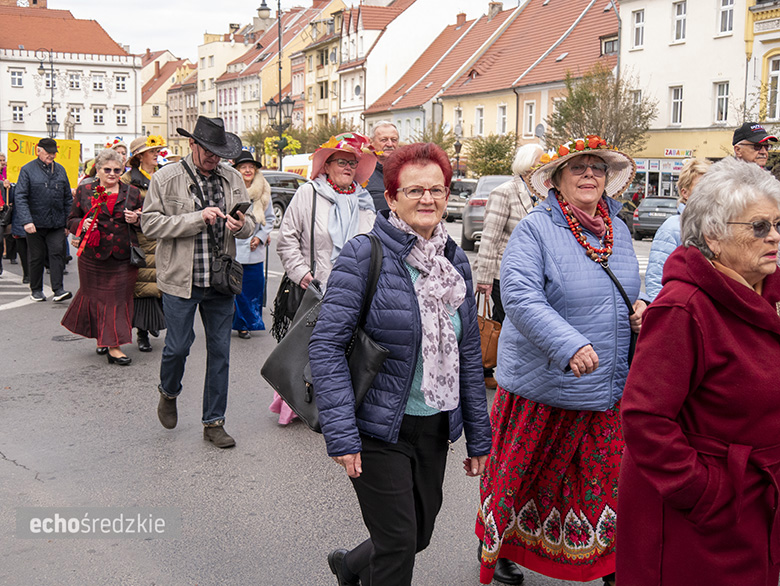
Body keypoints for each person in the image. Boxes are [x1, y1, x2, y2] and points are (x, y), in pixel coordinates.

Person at [309, 142, 492, 586]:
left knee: (419, 535)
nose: (427, 200)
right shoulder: (364, 254)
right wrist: (341, 435)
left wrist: (479, 439)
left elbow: (468, 352)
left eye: (437, 190)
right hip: (377, 426)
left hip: (432, 423)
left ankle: (349, 566)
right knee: (396, 545)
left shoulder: (454, 261)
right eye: (414, 191)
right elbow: (326, 345)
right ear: (391, 198)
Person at [476, 136, 646, 586]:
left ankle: (610, 560)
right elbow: (519, 295)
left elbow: (625, 289)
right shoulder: (536, 228)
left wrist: (641, 308)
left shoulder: (620, 229)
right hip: (546, 382)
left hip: (607, 382)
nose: (589, 175)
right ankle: (501, 544)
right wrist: (568, 345)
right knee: (524, 474)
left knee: (605, 476)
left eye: (597, 168)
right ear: (556, 179)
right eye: (578, 168)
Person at [617, 157, 780, 586]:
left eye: (777, 223)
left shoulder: (771, 294)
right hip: (698, 516)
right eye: (759, 227)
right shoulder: (683, 308)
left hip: (758, 502)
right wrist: (706, 491)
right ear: (714, 234)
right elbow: (644, 418)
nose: (775, 236)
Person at [141, 116, 254, 449]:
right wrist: (195, 218)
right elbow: (149, 224)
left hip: (221, 280)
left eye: (219, 152)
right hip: (181, 279)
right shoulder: (166, 177)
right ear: (192, 144)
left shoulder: (232, 177)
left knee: (220, 353)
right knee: (177, 348)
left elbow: (249, 226)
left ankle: (214, 422)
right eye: (208, 151)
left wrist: (241, 226)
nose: (214, 158)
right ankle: (169, 391)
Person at [61, 149, 143, 365]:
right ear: (98, 170)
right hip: (93, 257)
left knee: (117, 300)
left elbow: (147, 223)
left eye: (117, 170)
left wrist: (136, 219)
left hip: (124, 256)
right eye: (107, 169)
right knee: (96, 298)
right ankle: (103, 338)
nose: (112, 173)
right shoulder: (85, 190)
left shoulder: (132, 193)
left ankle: (114, 346)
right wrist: (82, 225)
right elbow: (70, 219)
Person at [475, 143, 543, 389]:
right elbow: (490, 236)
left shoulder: (544, 193)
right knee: (503, 320)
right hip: (504, 271)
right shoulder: (505, 192)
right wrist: (484, 277)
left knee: (513, 319)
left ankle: (494, 366)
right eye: (540, 162)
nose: (544, 167)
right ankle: (488, 367)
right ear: (527, 164)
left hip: (534, 272)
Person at [13, 137, 73, 302]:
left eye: (54, 153)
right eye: (48, 153)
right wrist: (26, 221)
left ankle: (58, 289)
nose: (52, 156)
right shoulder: (27, 170)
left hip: (57, 223)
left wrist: (68, 223)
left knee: (57, 254)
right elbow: (21, 197)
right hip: (35, 223)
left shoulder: (60, 170)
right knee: (37, 256)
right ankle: (36, 289)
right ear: (38, 151)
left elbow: (68, 198)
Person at [121, 136, 167, 352]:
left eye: (157, 150)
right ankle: (142, 333)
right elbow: (122, 207)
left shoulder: (161, 175)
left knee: (160, 283)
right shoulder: (128, 179)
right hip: (141, 238)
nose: (156, 154)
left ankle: (154, 321)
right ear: (140, 156)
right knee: (143, 286)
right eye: (152, 151)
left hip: (162, 236)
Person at [644, 158, 711, 300]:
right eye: (700, 187)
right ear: (684, 193)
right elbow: (656, 278)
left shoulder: (720, 225)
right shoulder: (672, 227)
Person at [231, 150, 275, 339]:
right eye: (243, 167)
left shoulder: (264, 191)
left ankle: (250, 320)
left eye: (251, 167)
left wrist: (261, 236)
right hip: (234, 247)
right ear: (237, 170)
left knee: (255, 286)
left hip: (255, 249)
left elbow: (271, 218)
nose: (248, 170)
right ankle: (241, 325)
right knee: (237, 290)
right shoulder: (232, 189)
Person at [365, 122, 399, 212]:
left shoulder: (406, 172)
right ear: (371, 143)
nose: (390, 144)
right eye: (384, 140)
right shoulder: (363, 173)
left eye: (394, 140)